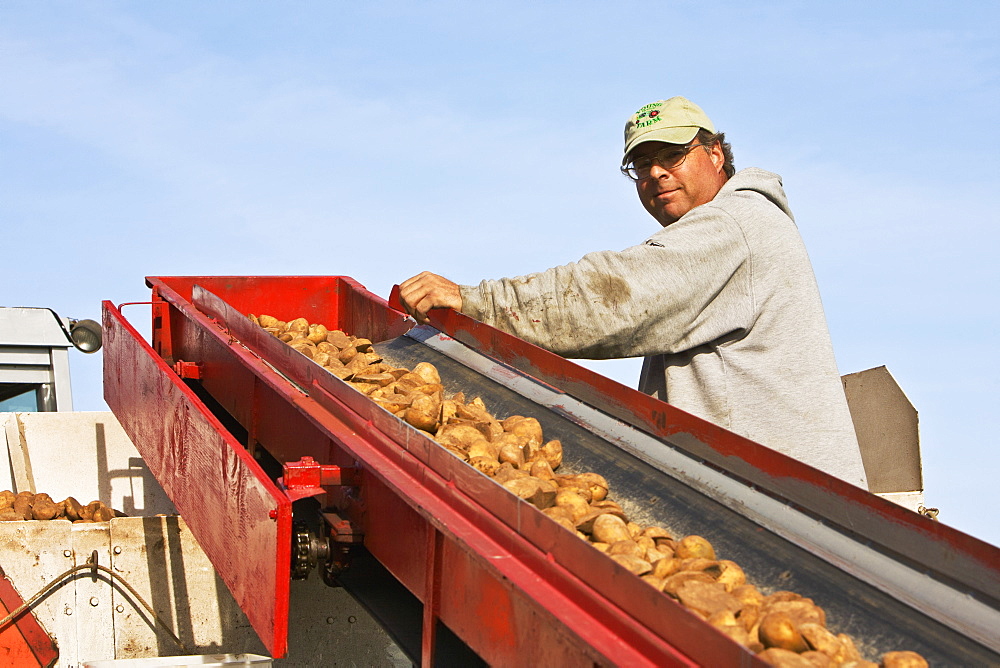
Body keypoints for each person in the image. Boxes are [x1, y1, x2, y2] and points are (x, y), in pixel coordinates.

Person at [399, 96, 868, 488]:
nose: (657, 173)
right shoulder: (731, 231)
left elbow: (614, 296)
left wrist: (477, 302)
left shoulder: (732, 226)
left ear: (716, 154)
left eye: (673, 155)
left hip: (780, 501)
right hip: (767, 493)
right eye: (642, 164)